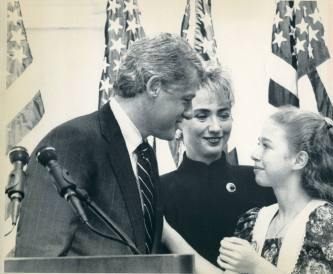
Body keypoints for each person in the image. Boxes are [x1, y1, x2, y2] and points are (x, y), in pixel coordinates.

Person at [14, 33, 204, 257]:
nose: (191, 112)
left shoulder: (145, 155)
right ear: (154, 87)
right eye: (186, 99)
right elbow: (37, 261)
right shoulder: (73, 142)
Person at [163, 106, 333, 274]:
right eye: (258, 144)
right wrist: (167, 233)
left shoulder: (327, 219)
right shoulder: (254, 220)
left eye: (266, 146)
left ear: (299, 160)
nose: (254, 154)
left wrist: (255, 266)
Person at [160, 67, 275, 265]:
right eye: (202, 116)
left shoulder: (260, 182)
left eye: (223, 115)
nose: (215, 128)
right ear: (179, 122)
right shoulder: (158, 191)